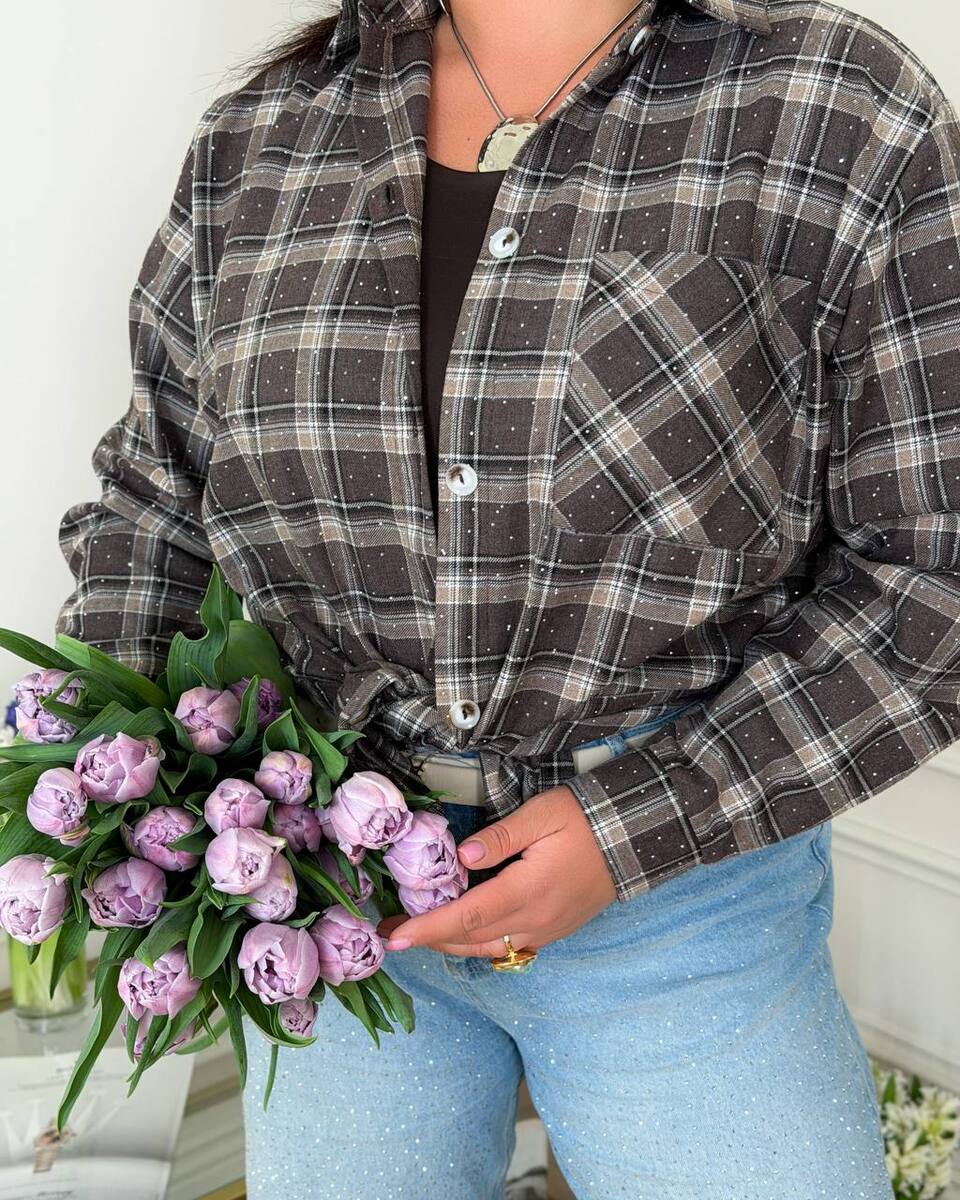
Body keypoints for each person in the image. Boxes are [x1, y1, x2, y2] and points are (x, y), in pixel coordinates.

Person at [54, 0, 960, 1194]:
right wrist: (95, 808)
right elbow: (155, 504)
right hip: (332, 910)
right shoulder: (259, 137)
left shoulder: (839, 107)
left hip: (686, 913)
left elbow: (932, 571)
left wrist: (641, 823)